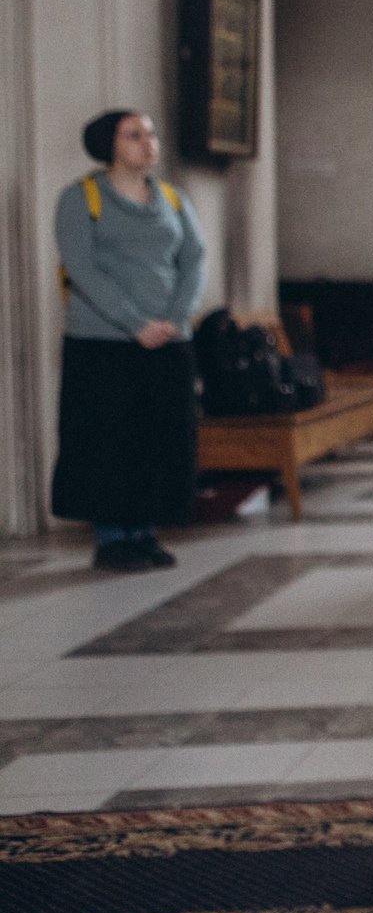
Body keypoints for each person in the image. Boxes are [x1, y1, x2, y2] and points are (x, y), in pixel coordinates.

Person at [53, 109, 206, 571]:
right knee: (108, 440)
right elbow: (81, 267)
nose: (148, 142)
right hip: (104, 344)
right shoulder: (81, 198)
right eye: (134, 135)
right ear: (108, 145)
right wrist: (134, 322)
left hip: (167, 341)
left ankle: (143, 533)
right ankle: (112, 538)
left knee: (158, 437)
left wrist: (176, 318)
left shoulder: (173, 198)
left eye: (151, 134)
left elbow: (193, 259)